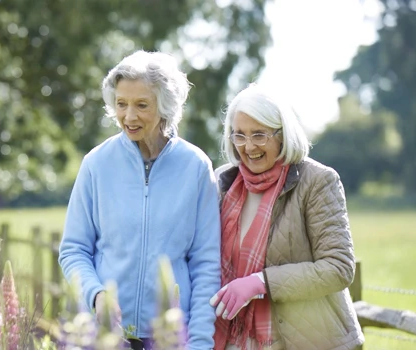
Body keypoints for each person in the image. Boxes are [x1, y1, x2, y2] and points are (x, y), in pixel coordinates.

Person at [58, 50, 221, 349]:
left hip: (169, 336)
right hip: (104, 335)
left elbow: (206, 264)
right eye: (121, 104)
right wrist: (95, 294)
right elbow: (73, 250)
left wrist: (198, 342)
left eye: (141, 105)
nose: (129, 116)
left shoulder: (196, 166)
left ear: (166, 107)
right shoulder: (96, 164)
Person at [209, 84, 365, 350]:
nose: (249, 147)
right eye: (240, 136)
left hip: (304, 340)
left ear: (282, 135)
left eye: (259, 135)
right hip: (233, 340)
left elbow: (338, 268)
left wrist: (260, 282)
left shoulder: (317, 181)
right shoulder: (224, 181)